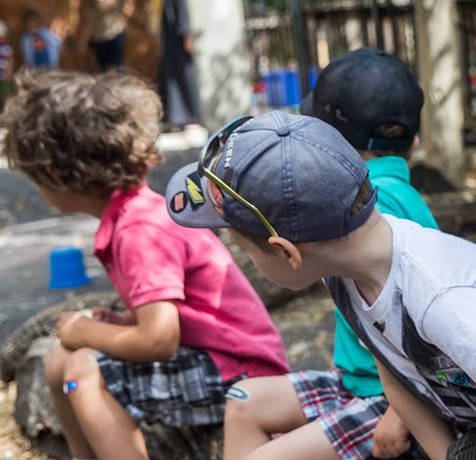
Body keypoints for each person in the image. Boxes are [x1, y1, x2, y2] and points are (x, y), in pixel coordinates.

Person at [165, 111, 476, 459]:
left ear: (287, 253)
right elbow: (394, 372)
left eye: (246, 250)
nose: (244, 258)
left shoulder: (438, 298)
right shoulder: (345, 271)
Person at [0, 70, 290, 460]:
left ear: (53, 174)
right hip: (208, 361)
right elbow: (173, 321)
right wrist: (117, 327)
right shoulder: (131, 216)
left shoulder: (140, 230)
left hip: (241, 375)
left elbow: (158, 340)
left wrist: (86, 330)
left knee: (82, 371)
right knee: (59, 366)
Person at [220, 48, 437, 460]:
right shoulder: (388, 194)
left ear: (326, 138)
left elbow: (426, 326)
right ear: (414, 140)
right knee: (244, 399)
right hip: (356, 380)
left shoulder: (369, 210)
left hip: (391, 396)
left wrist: (400, 411)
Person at [158, 0, 203, 131]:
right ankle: (176, 117)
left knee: (186, 72)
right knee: (172, 73)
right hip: (171, 29)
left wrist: (186, 30)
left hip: (180, 28)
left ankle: (192, 117)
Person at [78, 0, 129, 71]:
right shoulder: (88, 4)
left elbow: (107, 6)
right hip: (98, 40)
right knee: (103, 69)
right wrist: (83, 43)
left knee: (117, 68)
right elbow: (88, 24)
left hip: (113, 36)